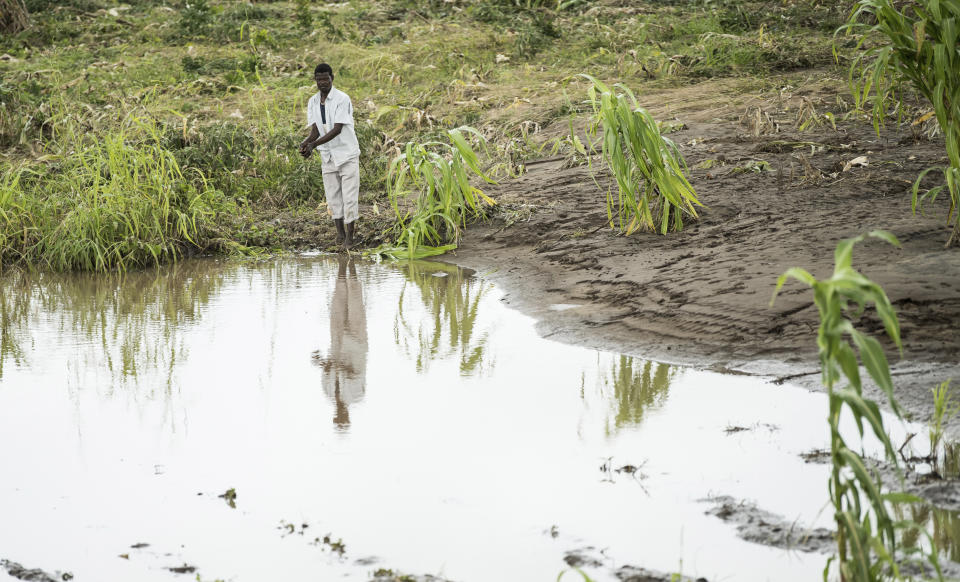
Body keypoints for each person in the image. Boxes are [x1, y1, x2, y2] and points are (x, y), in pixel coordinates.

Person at [299, 63, 361, 250]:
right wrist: (305, 143)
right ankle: (339, 235)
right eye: (319, 79)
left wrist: (313, 145)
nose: (323, 82)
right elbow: (316, 129)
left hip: (347, 154)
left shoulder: (342, 99)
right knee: (333, 196)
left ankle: (350, 238)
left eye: (326, 78)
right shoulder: (313, 102)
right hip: (328, 156)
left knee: (349, 197)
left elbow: (337, 128)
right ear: (315, 80)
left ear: (332, 78)